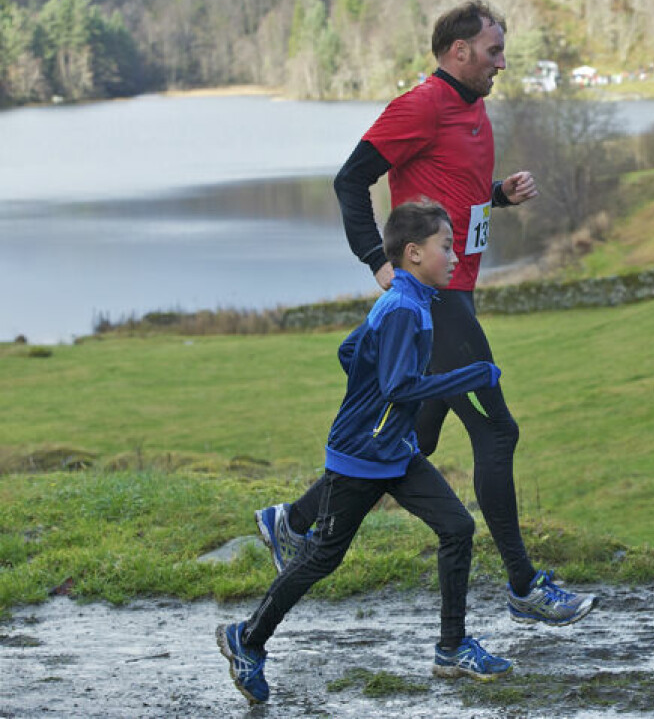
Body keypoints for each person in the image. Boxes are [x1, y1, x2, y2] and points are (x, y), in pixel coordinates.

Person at [256, 0, 596, 627]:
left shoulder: (473, 109)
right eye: (494, 51)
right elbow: (349, 180)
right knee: (497, 431)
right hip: (432, 302)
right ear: (459, 50)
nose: (502, 62)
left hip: (456, 290)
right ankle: (523, 587)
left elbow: (454, 193)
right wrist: (377, 263)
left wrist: (498, 197)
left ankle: (293, 519)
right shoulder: (421, 105)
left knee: (415, 436)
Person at [217, 202, 513, 705]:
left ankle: (452, 648)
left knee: (457, 527)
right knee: (320, 559)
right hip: (361, 455)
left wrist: (369, 399)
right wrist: (475, 374)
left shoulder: (408, 300)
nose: (455, 256)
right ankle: (246, 640)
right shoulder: (402, 308)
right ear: (415, 253)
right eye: (447, 247)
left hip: (392, 447)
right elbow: (400, 386)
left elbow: (351, 353)